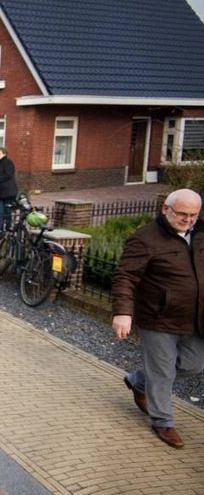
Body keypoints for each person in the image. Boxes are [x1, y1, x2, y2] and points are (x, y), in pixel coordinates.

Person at [111, 188, 203, 450]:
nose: (188, 220)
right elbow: (125, 277)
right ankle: (162, 420)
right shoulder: (145, 238)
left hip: (194, 318)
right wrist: (123, 312)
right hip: (158, 317)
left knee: (194, 365)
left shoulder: (200, 235)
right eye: (182, 214)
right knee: (162, 372)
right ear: (166, 209)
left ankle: (138, 381)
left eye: (193, 215)